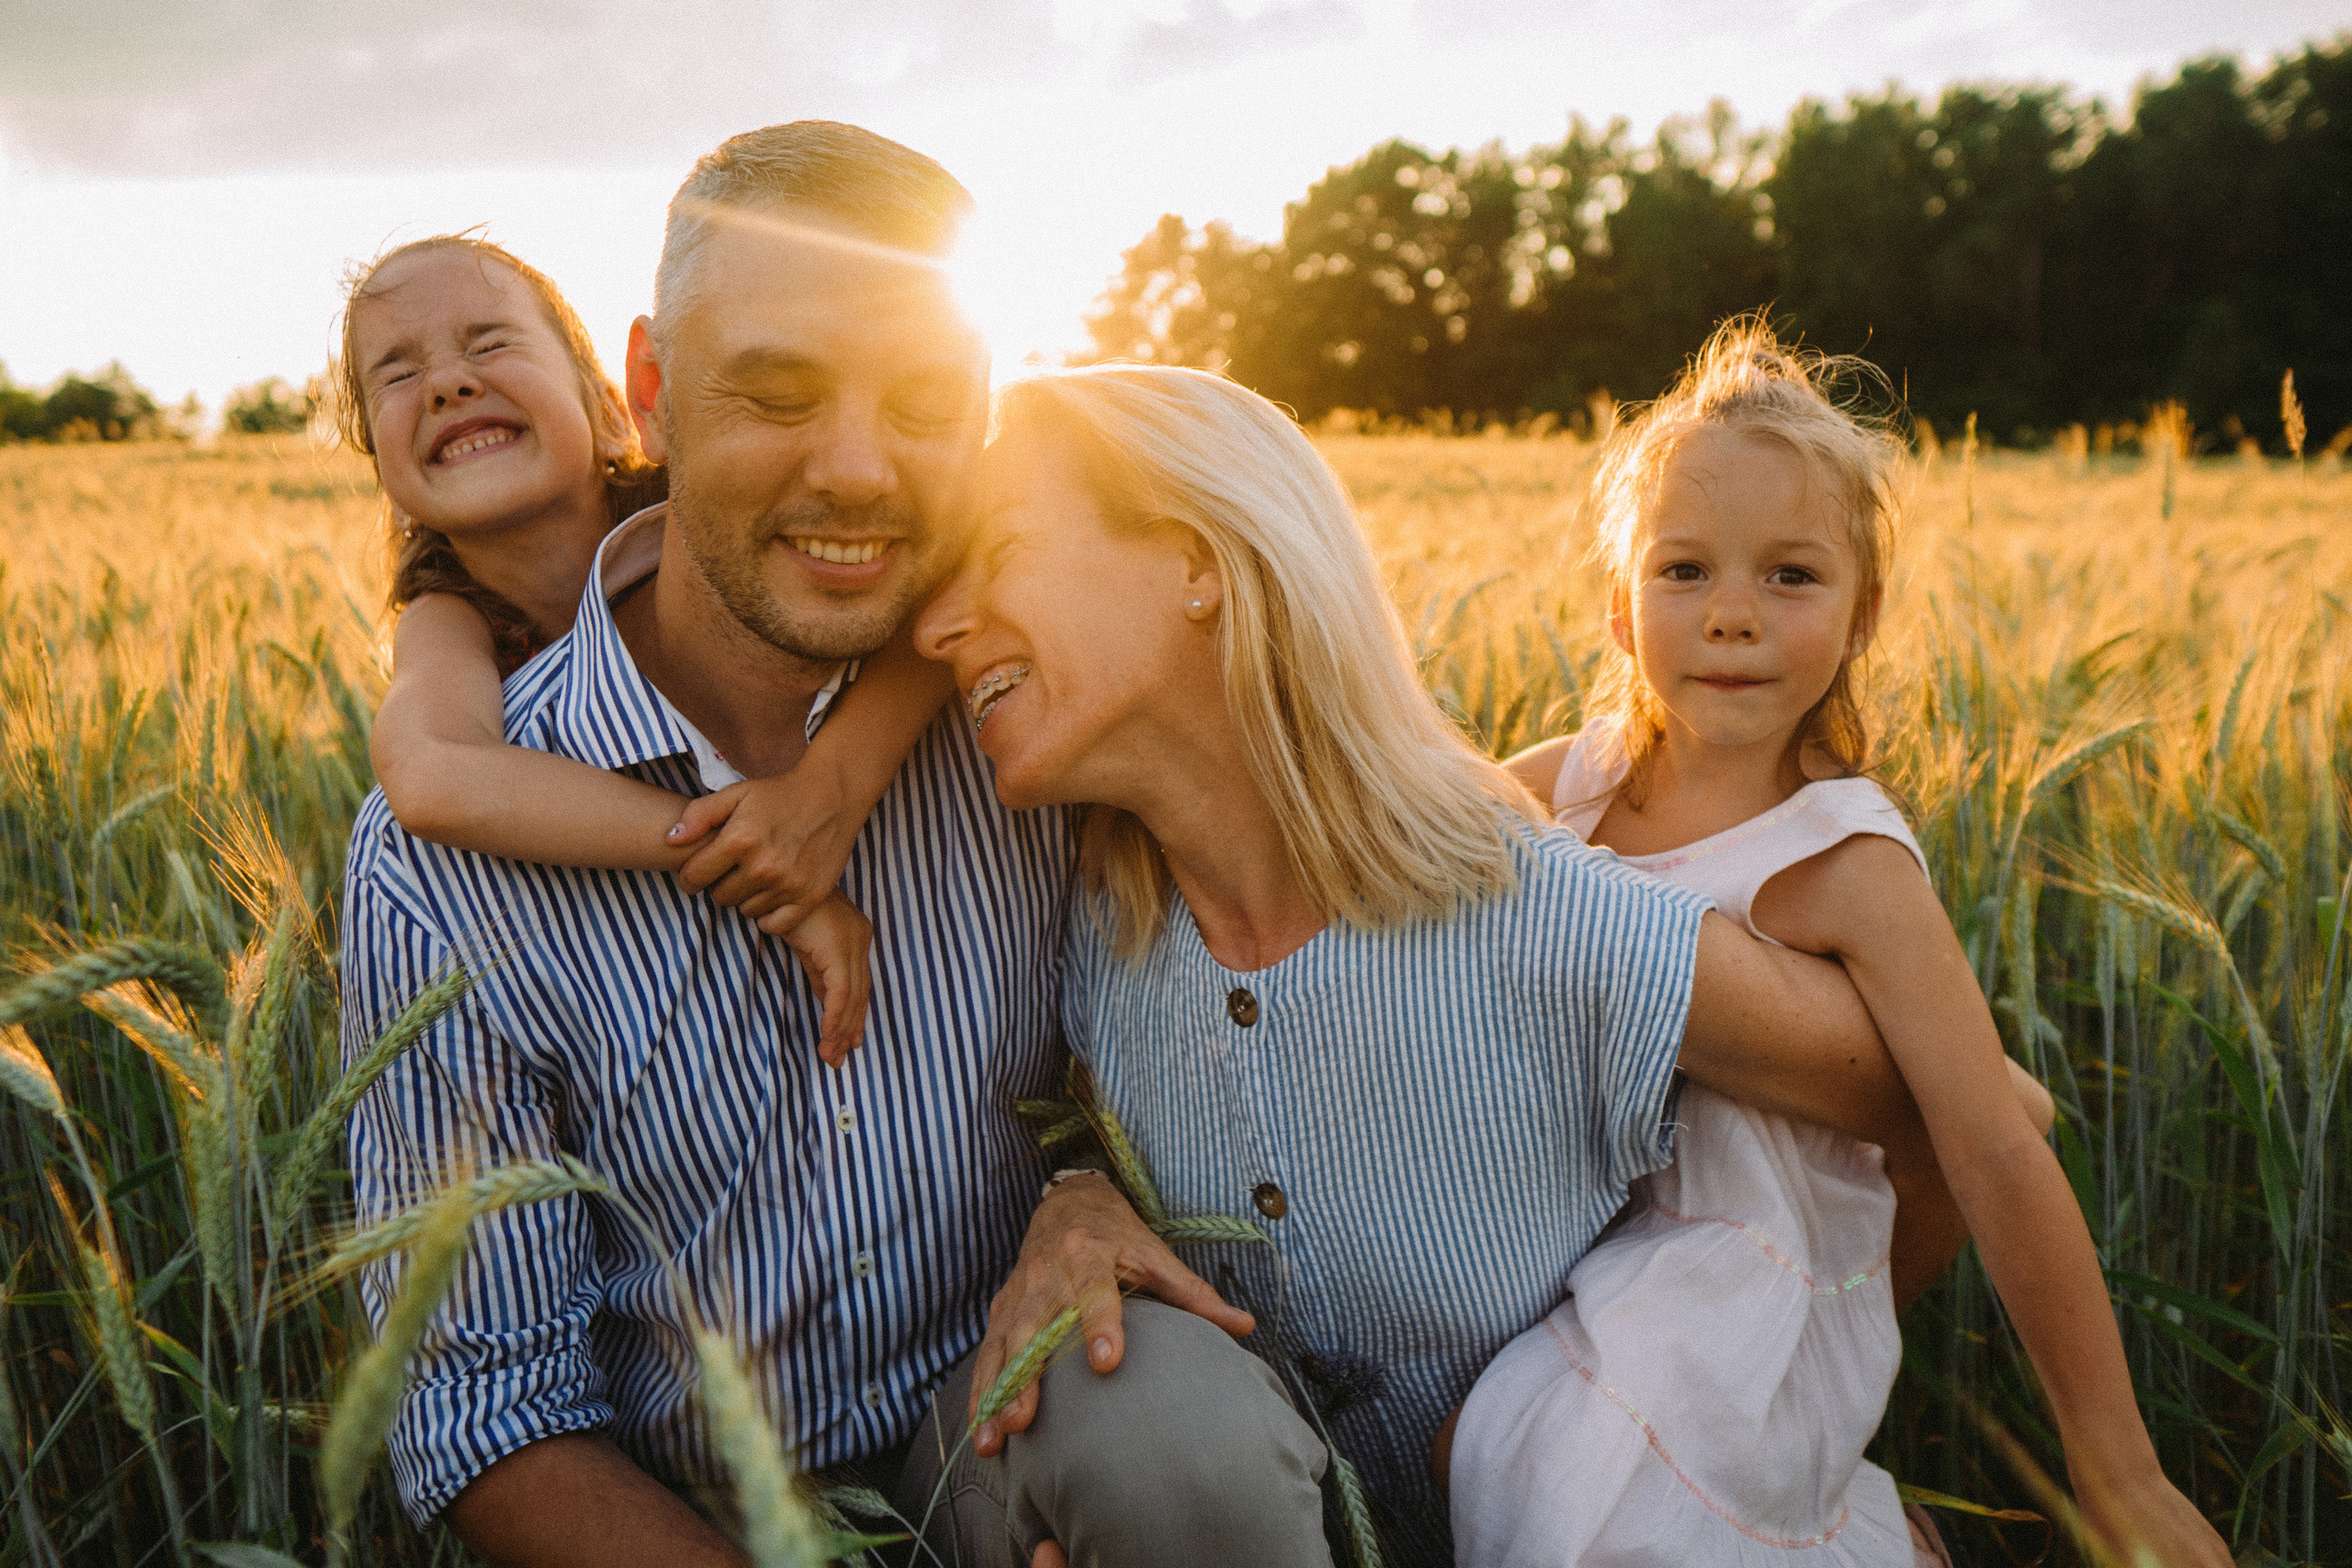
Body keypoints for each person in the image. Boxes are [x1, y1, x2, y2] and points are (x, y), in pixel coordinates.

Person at [909, 363, 1947, 1568]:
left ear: (1198, 558)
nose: (937, 629)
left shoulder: (1535, 910)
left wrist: (1768, 1434)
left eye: (1005, 551)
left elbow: (1948, 1120)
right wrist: (1073, 1197)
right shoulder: (1072, 914)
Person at [341, 126, 1105, 1567]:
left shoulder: (1028, 686)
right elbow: (482, 1399)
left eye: (928, 400)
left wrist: (1094, 1186)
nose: (862, 468)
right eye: (777, 390)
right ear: (655, 390)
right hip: (708, 1519)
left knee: (1190, 1454)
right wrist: (743, 841)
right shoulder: (447, 766)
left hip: (1031, 1412)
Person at [1443, 321, 2229, 1568]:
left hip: (1732, 1309)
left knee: (1571, 1487)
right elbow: (1393, 859)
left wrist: (2115, 1464)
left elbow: (1995, 1145)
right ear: (1616, 600)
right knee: (1483, 1452)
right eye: (1685, 569)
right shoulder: (1568, 786)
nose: (1733, 617)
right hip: (1564, 1251)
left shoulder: (1846, 860)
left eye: (1791, 577)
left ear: (1863, 613)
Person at [338, 232, 951, 1061]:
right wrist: (747, 854)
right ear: (382, 467)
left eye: (490, 343)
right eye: (398, 373)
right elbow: (429, 776)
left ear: (613, 403)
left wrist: (833, 786)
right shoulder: (448, 616)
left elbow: (956, 586)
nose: (448, 382)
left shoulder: (720, 520)